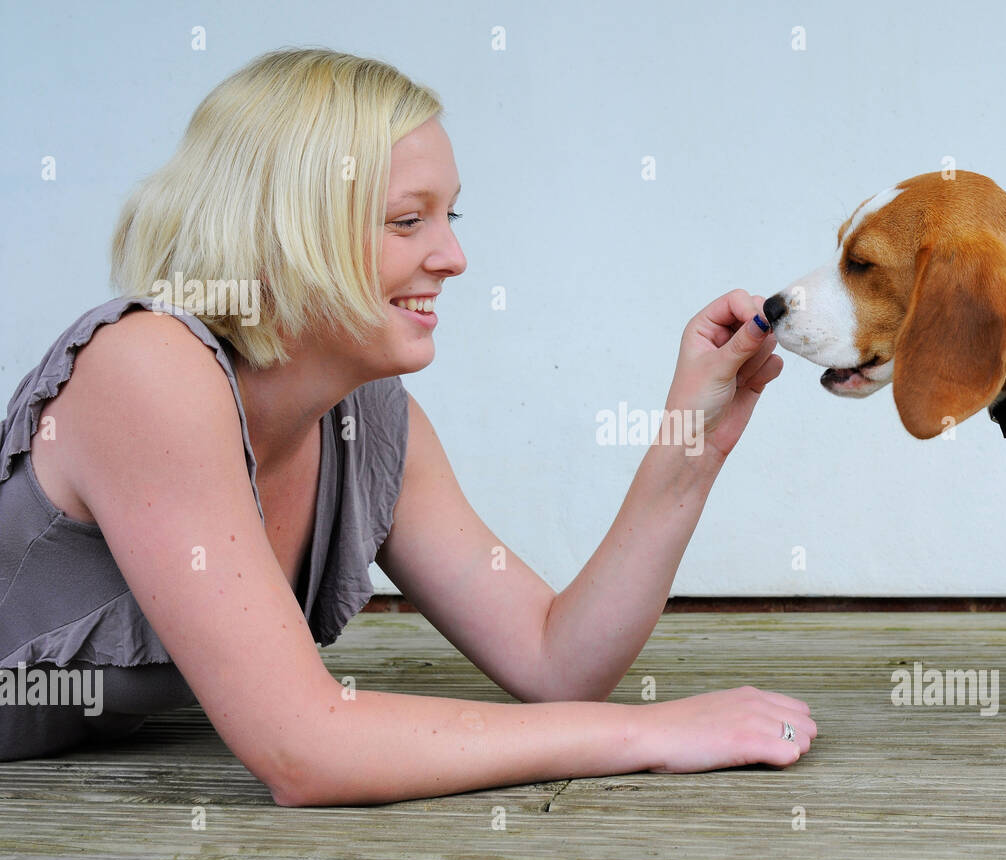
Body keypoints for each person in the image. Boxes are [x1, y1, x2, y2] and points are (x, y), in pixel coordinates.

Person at [0, 48, 815, 805]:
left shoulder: (369, 424)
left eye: (451, 215)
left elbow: (554, 658)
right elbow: (302, 747)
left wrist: (691, 443)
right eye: (406, 221)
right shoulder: (146, 367)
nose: (453, 257)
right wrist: (649, 731)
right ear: (285, 230)